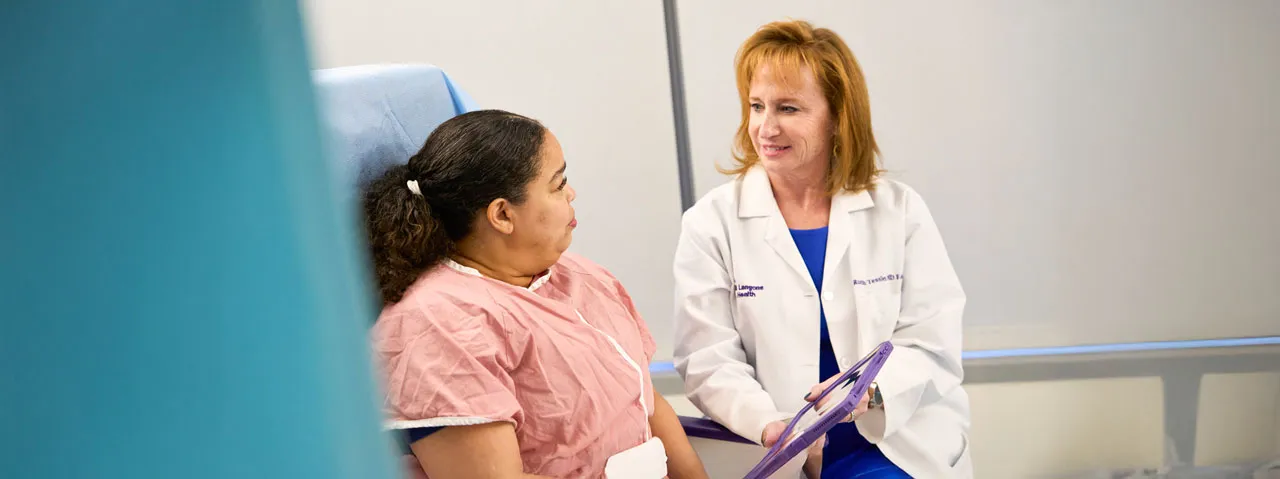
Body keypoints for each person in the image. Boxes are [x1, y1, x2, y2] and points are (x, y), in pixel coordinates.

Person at [672, 20, 972, 478]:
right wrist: (769, 426)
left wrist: (869, 391)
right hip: (778, 444)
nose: (765, 127)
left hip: (895, 439)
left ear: (837, 117)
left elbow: (931, 339)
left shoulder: (898, 211)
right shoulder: (711, 223)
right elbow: (707, 358)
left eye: (788, 108)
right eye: (756, 106)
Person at [364, 109, 708, 479]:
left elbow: (646, 403)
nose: (572, 193)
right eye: (558, 184)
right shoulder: (437, 326)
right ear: (502, 215)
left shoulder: (581, 277)